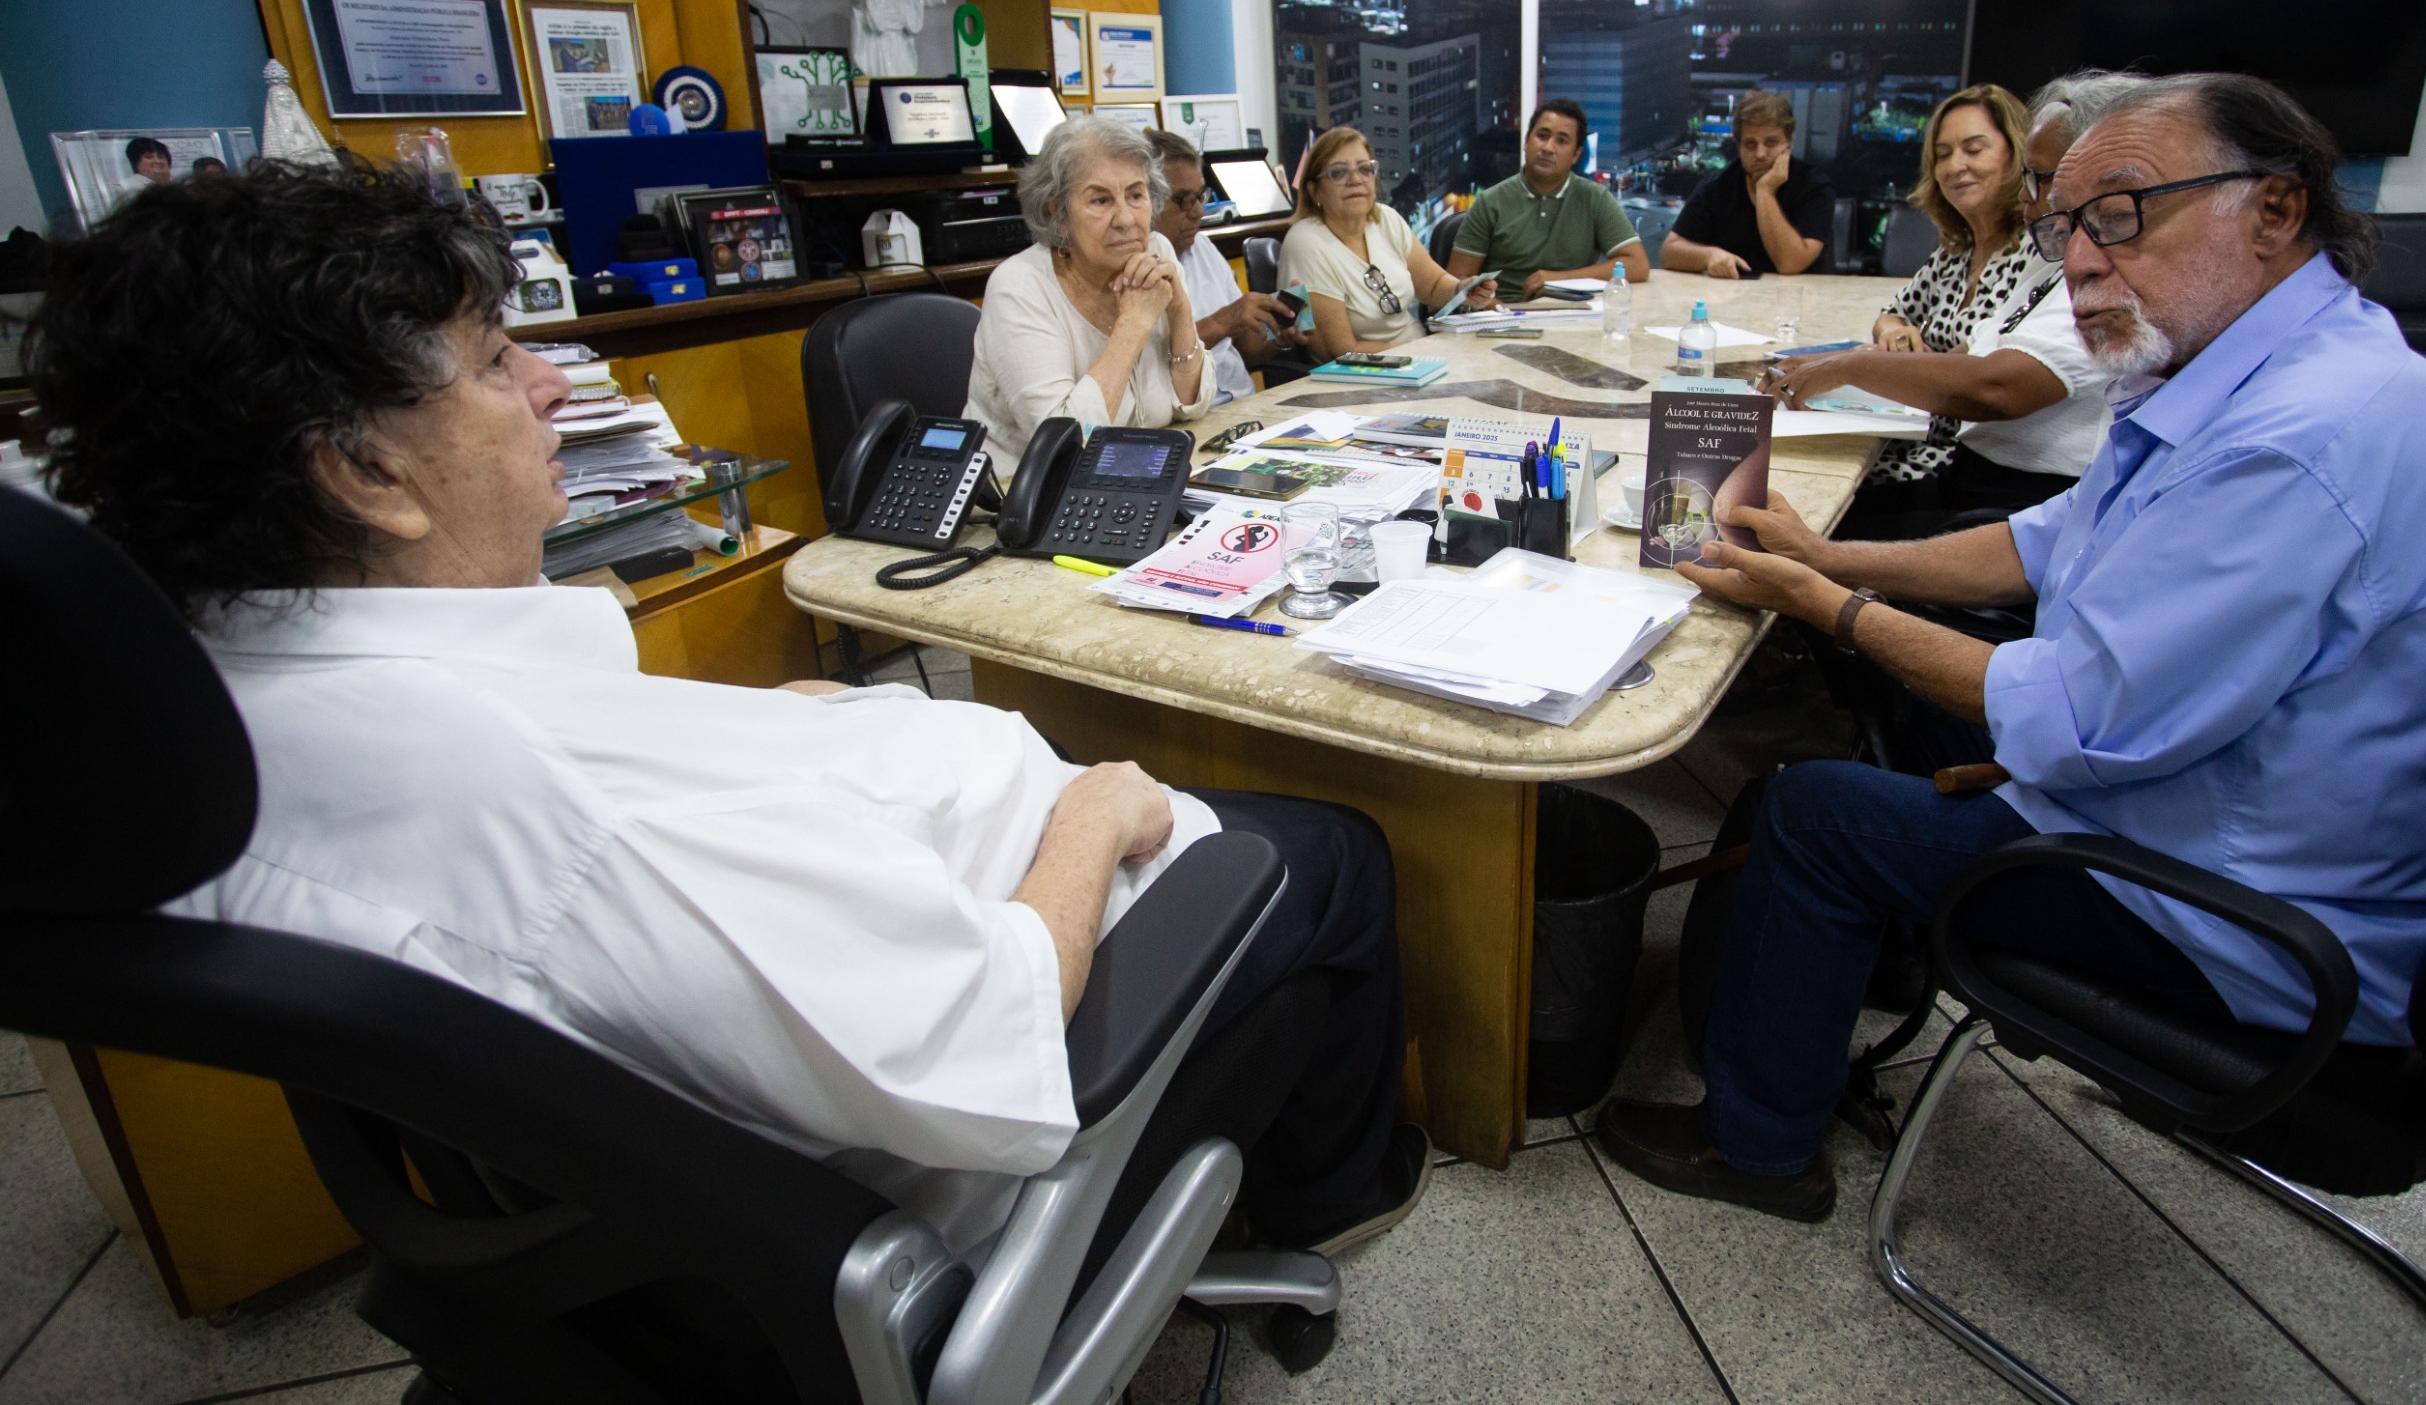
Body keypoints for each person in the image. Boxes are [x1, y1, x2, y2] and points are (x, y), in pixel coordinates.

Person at [29, 158, 1432, 1262]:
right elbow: (988, 1025)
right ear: (366, 475)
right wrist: (1092, 812)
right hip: (1019, 1009)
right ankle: (1333, 1200)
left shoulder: (242, 700)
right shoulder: (550, 804)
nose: (545, 388)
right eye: (496, 357)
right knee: (1331, 849)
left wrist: (805, 723)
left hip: (877, 892)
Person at [1595, 73, 2426, 1221]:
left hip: (2250, 920)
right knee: (1874, 741)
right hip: (2255, 817)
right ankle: (1834, 979)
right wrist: (1833, 559)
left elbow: (2073, 718)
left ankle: (1756, 1148)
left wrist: (1820, 606)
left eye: (2124, 211)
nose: (2080, 257)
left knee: (1809, 808)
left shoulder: (2299, 439)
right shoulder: (2272, 369)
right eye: (2064, 222)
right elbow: (2047, 540)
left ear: (2276, 210)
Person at [1758, 73, 2146, 540]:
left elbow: (1994, 387)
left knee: (1804, 527)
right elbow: (1958, 352)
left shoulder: (2093, 268)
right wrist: (1847, 361)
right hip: (1972, 482)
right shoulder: (2039, 259)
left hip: (2016, 504)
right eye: (1943, 154)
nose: (2027, 194)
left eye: (2038, 177)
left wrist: (1850, 366)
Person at [965, 114, 1212, 474]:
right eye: (1101, 201)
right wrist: (1133, 324)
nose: (1126, 218)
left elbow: (1193, 404)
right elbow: (1064, 446)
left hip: (1131, 481)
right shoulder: (1019, 287)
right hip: (1023, 501)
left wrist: (1178, 310)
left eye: (1136, 195)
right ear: (1059, 213)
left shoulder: (1157, 252)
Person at [1854, 85, 2043, 503]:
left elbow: (1981, 372)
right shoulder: (1956, 252)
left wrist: (1855, 367)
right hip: (1912, 442)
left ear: (2016, 154)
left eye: (1974, 149)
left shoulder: (2040, 252)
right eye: (1943, 154)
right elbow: (1893, 313)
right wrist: (1893, 333)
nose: (1956, 165)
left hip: (1962, 468)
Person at [1279, 126, 1495, 362]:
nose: (1355, 180)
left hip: (1418, 357)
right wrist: (1423, 351)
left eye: (1365, 169)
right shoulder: (1306, 242)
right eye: (1339, 173)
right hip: (1365, 375)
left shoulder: (1386, 218)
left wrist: (1463, 290)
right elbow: (1341, 351)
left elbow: (1433, 286)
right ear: (1314, 190)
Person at [1144, 127, 1302, 403]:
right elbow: (1151, 360)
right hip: (1186, 416)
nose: (1199, 212)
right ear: (1145, 199)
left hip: (1242, 403)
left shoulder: (1202, 247)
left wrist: (1277, 332)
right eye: (1184, 200)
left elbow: (1247, 351)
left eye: (1200, 196)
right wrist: (1224, 320)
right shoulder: (1133, 268)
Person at [1449, 99, 1650, 301]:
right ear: (1526, 141)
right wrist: (1495, 308)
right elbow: (1456, 281)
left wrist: (1559, 280)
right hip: (1504, 315)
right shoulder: (1490, 202)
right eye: (1542, 136)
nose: (1548, 148)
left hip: (1573, 314)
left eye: (1562, 141)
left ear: (1576, 154)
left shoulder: (1595, 198)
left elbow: (1637, 264)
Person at [1662, 92, 1832, 279]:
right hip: (1734, 299)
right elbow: (1669, 253)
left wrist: (1765, 192)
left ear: (1789, 141)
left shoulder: (1813, 186)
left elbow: (1789, 265)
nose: (1760, 154)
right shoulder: (1717, 186)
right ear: (1739, 145)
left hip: (1802, 300)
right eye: (1750, 144)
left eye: (1771, 143)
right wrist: (1708, 255)